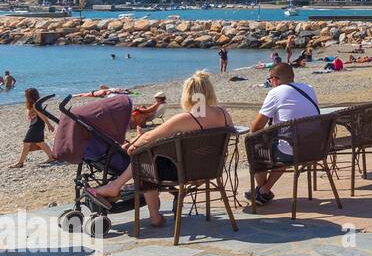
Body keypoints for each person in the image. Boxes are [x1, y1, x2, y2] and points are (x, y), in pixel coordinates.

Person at [87, 71, 233, 228]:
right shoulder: (223, 114)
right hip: (211, 168)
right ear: (209, 91)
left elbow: (150, 137)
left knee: (142, 159)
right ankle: (118, 188)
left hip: (185, 172)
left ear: (187, 94)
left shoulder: (185, 119)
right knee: (148, 157)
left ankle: (148, 211)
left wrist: (135, 142)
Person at [244, 62, 320, 206]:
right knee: (285, 143)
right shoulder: (308, 88)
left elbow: (256, 127)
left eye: (270, 80)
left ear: (275, 79)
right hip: (315, 148)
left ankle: (262, 191)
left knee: (256, 149)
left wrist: (252, 126)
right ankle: (264, 190)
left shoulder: (276, 92)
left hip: (293, 150)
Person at [10, 88, 55, 168]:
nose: (25, 96)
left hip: (36, 125)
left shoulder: (35, 104)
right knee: (40, 142)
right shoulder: (35, 104)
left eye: (26, 95)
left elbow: (42, 115)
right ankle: (51, 157)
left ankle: (20, 163)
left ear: (30, 96)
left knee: (26, 143)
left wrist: (49, 124)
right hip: (37, 124)